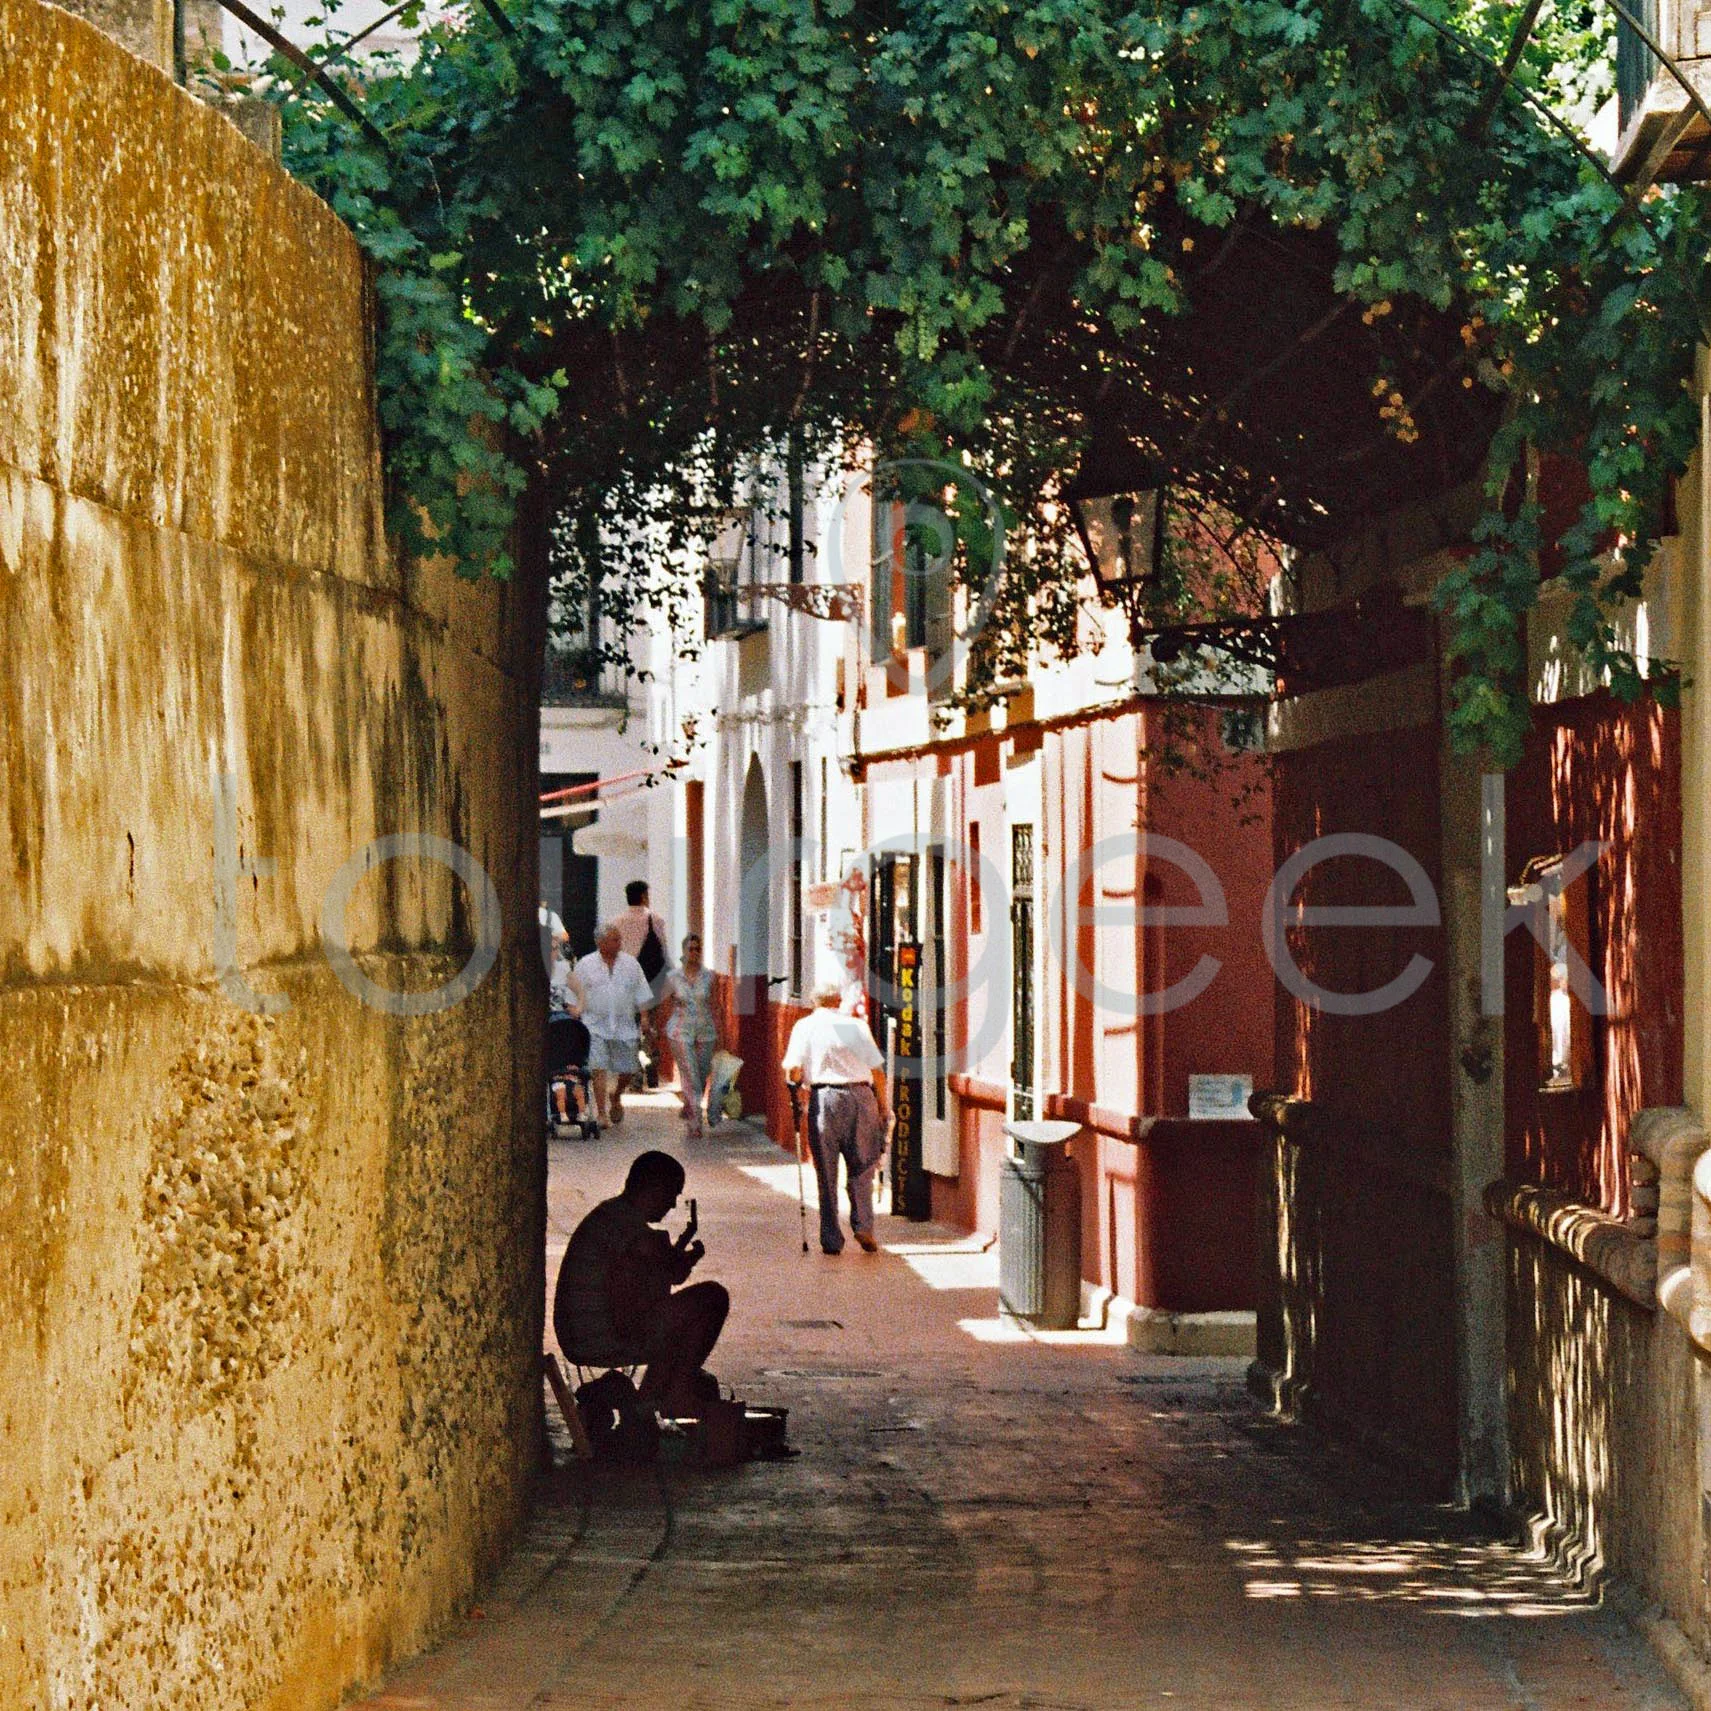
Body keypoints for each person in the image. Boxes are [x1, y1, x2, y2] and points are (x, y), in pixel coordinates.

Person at [553, 1150, 728, 1421]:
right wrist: (683, 1258)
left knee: (675, 1319)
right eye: (672, 1194)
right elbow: (670, 1270)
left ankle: (645, 1404)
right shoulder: (632, 1229)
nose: (672, 1204)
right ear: (654, 1188)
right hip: (600, 1337)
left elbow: (662, 1275)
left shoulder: (610, 1215)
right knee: (713, 1298)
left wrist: (678, 1259)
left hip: (580, 1335)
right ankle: (674, 1395)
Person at [782, 982, 890, 1255]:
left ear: (813, 1000)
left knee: (826, 1172)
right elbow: (877, 1070)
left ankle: (831, 1238)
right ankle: (863, 1224)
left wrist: (795, 1087)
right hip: (861, 1097)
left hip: (825, 1099)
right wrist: (882, 1105)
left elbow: (793, 1070)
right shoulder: (855, 1026)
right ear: (839, 1000)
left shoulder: (805, 1027)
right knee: (863, 1165)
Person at [574, 924, 655, 1127]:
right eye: (615, 940)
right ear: (601, 943)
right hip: (594, 1025)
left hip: (624, 1026)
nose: (620, 943)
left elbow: (642, 992)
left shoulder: (631, 964)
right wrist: (575, 1013)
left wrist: (644, 1019)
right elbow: (574, 992)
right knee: (598, 1067)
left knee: (628, 1068)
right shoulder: (585, 965)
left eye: (619, 939)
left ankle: (616, 1094)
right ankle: (601, 1113)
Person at [658, 934, 722, 1138]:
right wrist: (664, 1026)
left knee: (702, 1073)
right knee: (690, 1072)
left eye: (697, 949)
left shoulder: (710, 976)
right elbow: (664, 1002)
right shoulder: (673, 977)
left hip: (705, 1029)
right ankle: (696, 1120)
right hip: (680, 1029)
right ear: (684, 952)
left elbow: (716, 1004)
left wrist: (720, 1029)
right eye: (690, 949)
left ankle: (689, 1103)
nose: (694, 953)